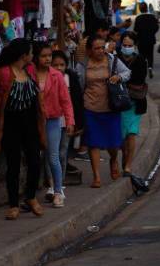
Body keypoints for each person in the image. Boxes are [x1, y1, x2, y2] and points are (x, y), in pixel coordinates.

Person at [0, 39, 47, 220]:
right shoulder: (2, 73)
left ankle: (30, 197)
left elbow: (37, 97)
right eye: (31, 53)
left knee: (34, 161)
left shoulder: (30, 71)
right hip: (11, 125)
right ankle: (13, 205)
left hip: (30, 123)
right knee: (12, 166)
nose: (33, 56)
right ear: (23, 55)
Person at [75, 35, 131, 188]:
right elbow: (78, 86)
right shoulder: (83, 65)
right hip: (90, 108)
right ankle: (97, 177)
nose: (100, 51)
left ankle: (113, 160)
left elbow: (127, 73)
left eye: (102, 47)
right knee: (93, 142)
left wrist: (118, 77)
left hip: (111, 108)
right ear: (89, 50)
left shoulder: (112, 59)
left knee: (113, 144)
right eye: (96, 48)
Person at [30, 42, 75, 208]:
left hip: (53, 120)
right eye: (43, 56)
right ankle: (32, 195)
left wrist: (70, 121)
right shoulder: (29, 74)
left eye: (49, 55)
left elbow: (66, 101)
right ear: (35, 57)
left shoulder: (56, 76)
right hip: (33, 121)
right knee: (34, 157)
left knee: (53, 157)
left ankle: (58, 191)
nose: (47, 59)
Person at [51, 50, 85, 185]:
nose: (59, 68)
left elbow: (77, 101)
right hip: (51, 121)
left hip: (66, 121)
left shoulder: (70, 77)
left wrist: (78, 123)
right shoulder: (45, 78)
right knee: (52, 153)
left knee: (62, 152)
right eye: (56, 65)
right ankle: (51, 182)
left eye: (62, 65)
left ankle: (60, 180)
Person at [118, 31, 149, 175]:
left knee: (131, 133)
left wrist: (121, 79)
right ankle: (124, 157)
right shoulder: (115, 58)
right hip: (118, 103)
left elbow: (138, 79)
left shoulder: (141, 60)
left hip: (134, 102)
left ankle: (128, 165)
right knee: (122, 135)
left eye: (129, 45)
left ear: (134, 46)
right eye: (124, 45)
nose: (126, 47)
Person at [133, 2, 159, 78]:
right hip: (150, 39)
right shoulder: (152, 17)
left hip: (141, 40)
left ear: (140, 9)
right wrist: (152, 33)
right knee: (150, 54)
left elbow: (135, 29)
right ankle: (150, 67)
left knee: (142, 55)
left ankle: (143, 69)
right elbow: (156, 27)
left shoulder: (138, 18)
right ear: (147, 8)